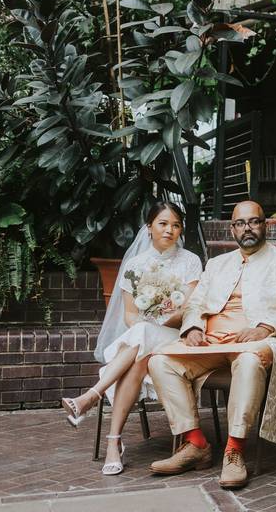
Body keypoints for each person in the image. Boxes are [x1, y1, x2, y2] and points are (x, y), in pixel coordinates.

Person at [146, 200, 276, 490]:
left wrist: (265, 327)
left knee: (248, 361)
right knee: (159, 361)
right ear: (232, 228)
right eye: (240, 223)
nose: (247, 228)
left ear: (265, 224)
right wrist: (194, 327)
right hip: (211, 344)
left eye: (254, 221)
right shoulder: (217, 263)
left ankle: (235, 450)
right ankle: (196, 443)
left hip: (261, 343)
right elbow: (195, 304)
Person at [61, 201, 202, 475]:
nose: (169, 230)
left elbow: (189, 310)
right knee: (139, 354)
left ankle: (91, 396)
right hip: (144, 340)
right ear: (149, 228)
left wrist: (162, 312)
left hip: (175, 336)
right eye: (163, 223)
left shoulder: (191, 261)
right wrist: (147, 318)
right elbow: (129, 315)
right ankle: (113, 443)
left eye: (175, 225)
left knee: (143, 334)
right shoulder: (135, 265)